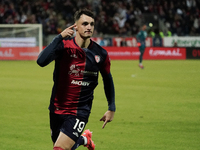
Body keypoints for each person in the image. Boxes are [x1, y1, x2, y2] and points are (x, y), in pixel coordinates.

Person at [37, 8, 116, 150]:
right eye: (85, 24)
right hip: (57, 107)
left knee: (60, 148)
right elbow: (41, 61)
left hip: (80, 110)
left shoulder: (101, 54)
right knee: (65, 145)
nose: (89, 27)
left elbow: (108, 79)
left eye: (92, 24)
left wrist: (111, 107)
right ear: (76, 26)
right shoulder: (64, 46)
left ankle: (83, 138)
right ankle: (85, 139)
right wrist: (59, 37)